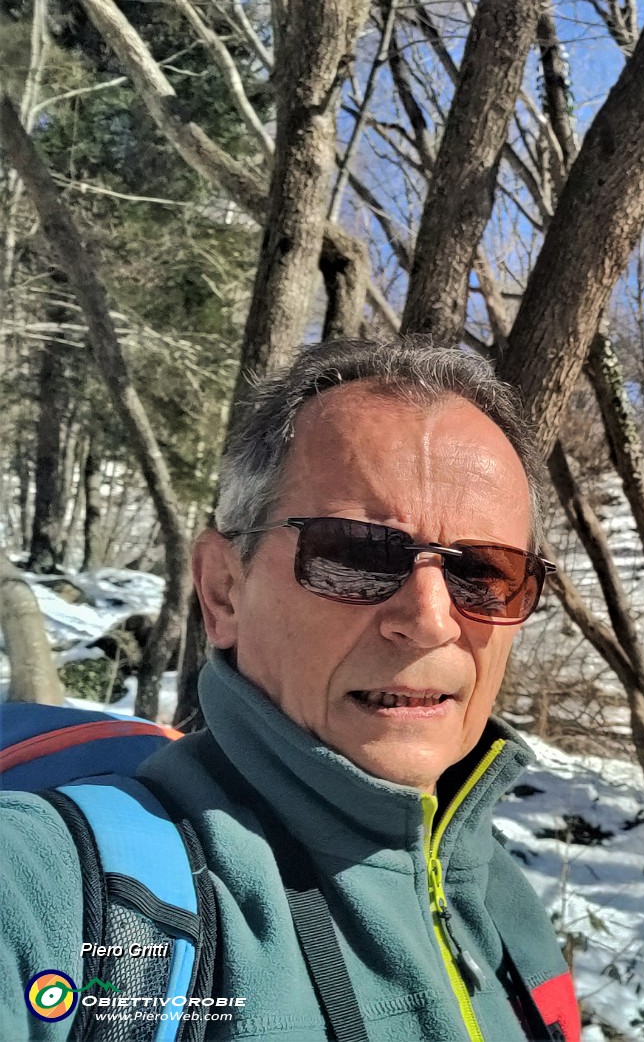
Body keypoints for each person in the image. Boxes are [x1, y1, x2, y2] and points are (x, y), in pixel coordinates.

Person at [0, 336, 581, 1041]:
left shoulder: (502, 901)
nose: (431, 621)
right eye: (357, 554)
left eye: (485, 573)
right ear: (223, 592)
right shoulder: (63, 889)